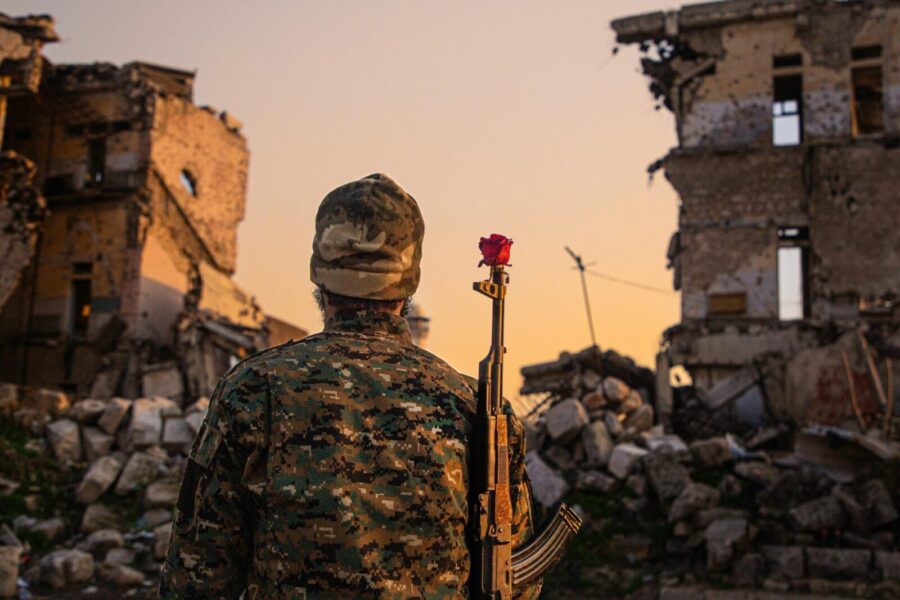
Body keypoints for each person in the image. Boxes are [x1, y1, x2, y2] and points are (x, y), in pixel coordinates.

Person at [159, 173, 540, 599]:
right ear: (408, 281)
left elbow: (195, 575)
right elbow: (515, 580)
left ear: (319, 277)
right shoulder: (472, 405)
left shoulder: (253, 388)